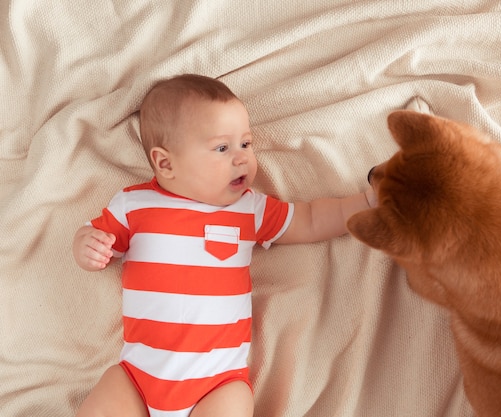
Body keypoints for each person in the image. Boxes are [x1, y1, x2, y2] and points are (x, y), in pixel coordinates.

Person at [72, 74, 375, 417]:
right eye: (222, 148)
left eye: (245, 143)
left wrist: (365, 205)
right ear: (165, 163)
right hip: (137, 379)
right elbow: (96, 237)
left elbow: (311, 220)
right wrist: (87, 247)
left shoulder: (248, 208)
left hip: (216, 384)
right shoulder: (133, 205)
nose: (242, 157)